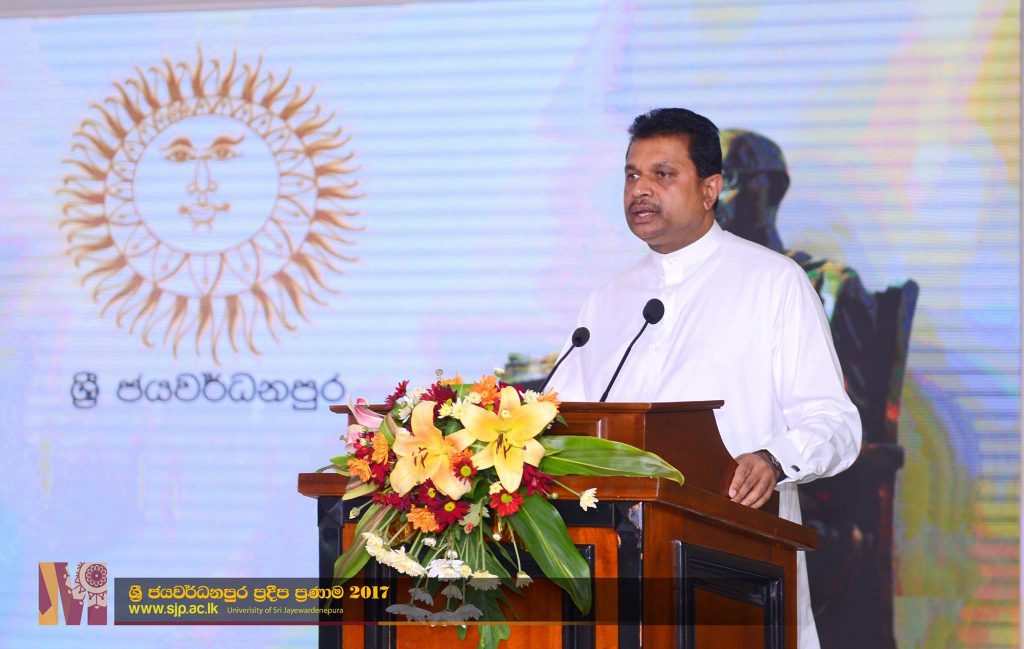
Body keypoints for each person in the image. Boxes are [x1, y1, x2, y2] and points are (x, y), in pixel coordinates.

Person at [547, 108, 862, 649]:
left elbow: (835, 421)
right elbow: (565, 422)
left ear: (710, 189)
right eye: (631, 175)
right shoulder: (606, 300)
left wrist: (774, 460)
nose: (640, 189)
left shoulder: (774, 283)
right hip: (614, 570)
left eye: (662, 174)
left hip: (735, 572)